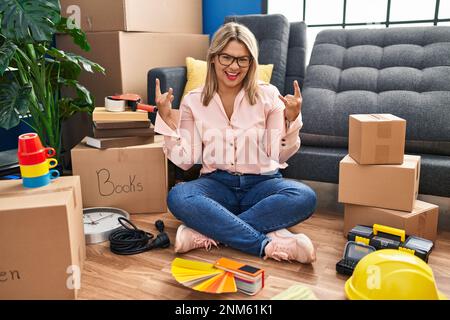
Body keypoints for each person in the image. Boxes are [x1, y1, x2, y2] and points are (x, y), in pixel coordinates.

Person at [154, 22, 317, 264]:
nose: (234, 66)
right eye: (226, 57)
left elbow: (277, 155)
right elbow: (186, 161)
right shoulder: (193, 100)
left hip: (263, 184)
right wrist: (167, 119)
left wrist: (292, 120)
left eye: (243, 59)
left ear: (251, 62)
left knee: (305, 196)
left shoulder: (269, 95)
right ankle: (266, 245)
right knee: (178, 196)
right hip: (216, 185)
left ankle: (205, 232)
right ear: (213, 58)